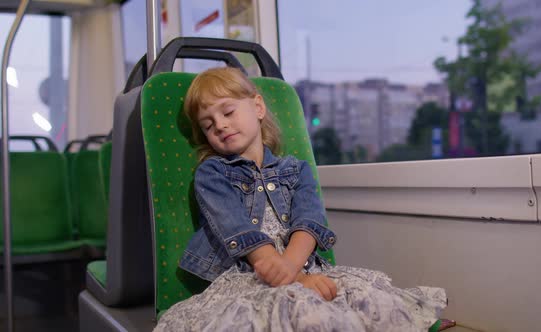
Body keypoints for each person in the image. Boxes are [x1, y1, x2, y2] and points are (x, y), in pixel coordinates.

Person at [154, 67, 455, 332]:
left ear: (257, 107)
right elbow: (238, 231)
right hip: (252, 274)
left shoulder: (297, 170)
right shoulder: (212, 173)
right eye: (208, 125)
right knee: (291, 308)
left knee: (364, 294)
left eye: (228, 112)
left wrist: (295, 268)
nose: (219, 125)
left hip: (304, 266)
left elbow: (309, 223)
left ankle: (412, 320)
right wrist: (290, 277)